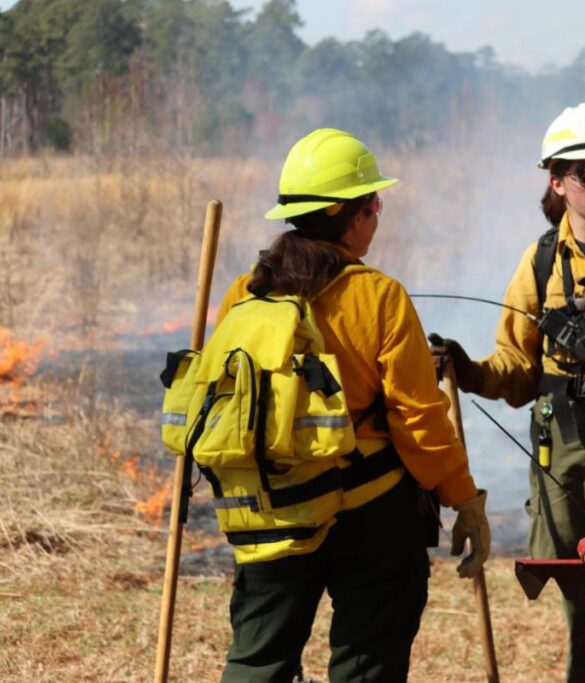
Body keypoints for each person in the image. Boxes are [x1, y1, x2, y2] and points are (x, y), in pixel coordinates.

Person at [211, 128, 491, 682]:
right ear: (354, 214)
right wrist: (465, 499)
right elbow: (419, 420)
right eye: (375, 203)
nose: (377, 216)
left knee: (257, 661)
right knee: (368, 663)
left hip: (273, 505)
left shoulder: (246, 292)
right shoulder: (379, 295)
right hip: (373, 513)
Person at [430, 103, 585, 682]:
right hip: (559, 456)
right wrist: (465, 368)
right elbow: (514, 368)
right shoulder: (539, 263)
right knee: (574, 590)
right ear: (557, 181)